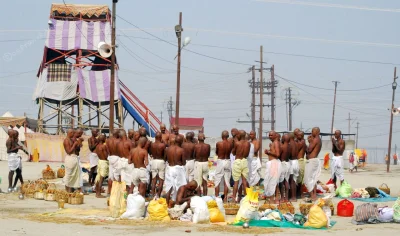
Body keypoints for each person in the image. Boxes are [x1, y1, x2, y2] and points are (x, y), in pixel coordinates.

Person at [165, 135, 187, 204]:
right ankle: (178, 203)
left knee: (169, 187)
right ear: (181, 142)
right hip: (178, 169)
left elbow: (165, 159)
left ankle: (167, 204)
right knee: (181, 186)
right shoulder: (181, 150)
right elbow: (184, 162)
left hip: (169, 168)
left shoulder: (168, 149)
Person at [232, 130, 250, 202]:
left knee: (236, 182)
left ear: (239, 135)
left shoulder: (237, 143)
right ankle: (246, 199)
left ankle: (233, 199)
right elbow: (247, 155)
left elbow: (233, 153)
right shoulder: (248, 144)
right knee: (244, 181)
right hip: (245, 161)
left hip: (238, 161)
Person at [304, 127, 322, 201]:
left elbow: (309, 150)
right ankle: (313, 195)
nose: (311, 133)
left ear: (317, 132)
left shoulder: (315, 140)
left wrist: (309, 142)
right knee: (313, 179)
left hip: (312, 161)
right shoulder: (318, 139)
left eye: (313, 131)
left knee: (307, 179)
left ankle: (312, 195)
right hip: (314, 160)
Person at [214, 131, 233, 202]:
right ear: (228, 136)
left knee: (217, 180)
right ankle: (225, 198)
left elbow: (217, 152)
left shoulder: (219, 143)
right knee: (226, 180)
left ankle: (216, 198)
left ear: (222, 136)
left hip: (220, 161)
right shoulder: (230, 144)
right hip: (227, 161)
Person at [264, 131, 282, 203]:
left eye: (271, 135)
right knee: (273, 182)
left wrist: (268, 152)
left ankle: (274, 198)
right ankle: (275, 198)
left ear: (275, 136)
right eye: (269, 135)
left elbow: (277, 154)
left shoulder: (276, 143)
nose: (270, 136)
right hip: (272, 163)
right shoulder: (273, 143)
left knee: (272, 181)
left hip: (274, 163)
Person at [149, 132, 167, 197]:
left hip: (154, 161)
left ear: (155, 137)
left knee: (153, 180)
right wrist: (164, 160)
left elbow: (151, 153)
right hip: (161, 161)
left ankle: (153, 196)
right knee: (161, 180)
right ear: (160, 137)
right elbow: (165, 155)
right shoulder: (163, 145)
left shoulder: (152, 144)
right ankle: (158, 195)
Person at [106, 129, 121, 195]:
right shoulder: (118, 141)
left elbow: (107, 150)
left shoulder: (108, 140)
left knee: (110, 176)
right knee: (116, 176)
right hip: (117, 158)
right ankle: (115, 192)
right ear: (117, 134)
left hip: (110, 157)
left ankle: (109, 191)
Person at [279, 134, 290, 202]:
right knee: (287, 181)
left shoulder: (282, 147)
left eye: (282, 138)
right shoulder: (289, 146)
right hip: (288, 164)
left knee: (281, 182)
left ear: (284, 139)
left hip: (282, 164)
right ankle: (287, 197)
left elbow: (278, 155)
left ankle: (282, 197)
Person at [288, 133, 299, 201]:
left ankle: (293, 197)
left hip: (292, 162)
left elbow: (290, 154)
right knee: (294, 180)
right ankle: (293, 196)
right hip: (296, 161)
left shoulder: (290, 145)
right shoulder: (296, 143)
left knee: (292, 181)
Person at [296, 131, 307, 198]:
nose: (297, 136)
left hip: (300, 161)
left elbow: (296, 149)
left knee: (300, 179)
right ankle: (299, 192)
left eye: (299, 135)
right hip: (299, 161)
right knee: (299, 178)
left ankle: (300, 193)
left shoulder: (302, 142)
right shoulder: (300, 142)